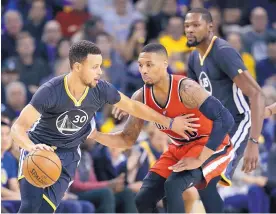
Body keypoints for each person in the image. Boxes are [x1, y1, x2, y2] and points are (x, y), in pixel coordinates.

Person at [10, 40, 198, 213]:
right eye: (94, 67)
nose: (100, 71)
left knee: (45, 210)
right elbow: (18, 127)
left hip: (68, 155)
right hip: (39, 149)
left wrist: (170, 122)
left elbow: (133, 107)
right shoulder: (50, 91)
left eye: (100, 66)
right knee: (30, 206)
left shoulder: (100, 89)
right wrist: (31, 147)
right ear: (77, 67)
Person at [88, 43, 235, 213]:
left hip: (213, 144)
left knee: (174, 185)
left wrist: (201, 158)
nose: (143, 70)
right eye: (141, 65)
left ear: (165, 64)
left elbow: (226, 119)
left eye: (149, 65)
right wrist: (95, 135)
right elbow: (126, 140)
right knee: (143, 199)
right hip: (180, 147)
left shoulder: (187, 89)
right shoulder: (141, 96)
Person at [183, 7, 271, 212]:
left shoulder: (223, 52)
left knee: (206, 180)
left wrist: (253, 142)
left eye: (196, 25)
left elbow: (257, 94)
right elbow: (192, 100)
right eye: (187, 26)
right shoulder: (194, 58)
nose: (190, 30)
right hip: (215, 128)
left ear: (210, 27)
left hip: (238, 123)